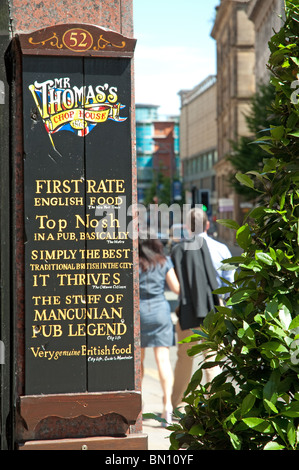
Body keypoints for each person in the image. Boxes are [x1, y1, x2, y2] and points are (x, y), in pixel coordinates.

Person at [171, 209, 221, 410]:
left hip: (187, 311)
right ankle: (215, 403)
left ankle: (179, 405)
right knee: (212, 359)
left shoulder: (178, 250)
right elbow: (215, 280)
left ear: (186, 226)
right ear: (207, 225)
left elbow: (176, 284)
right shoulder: (211, 248)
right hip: (208, 312)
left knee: (184, 359)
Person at [139, 234, 180, 425]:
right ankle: (168, 408)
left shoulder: (134, 262)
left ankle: (138, 404)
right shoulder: (165, 262)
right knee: (163, 360)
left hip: (138, 315)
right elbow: (176, 288)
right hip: (160, 313)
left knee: (139, 363)